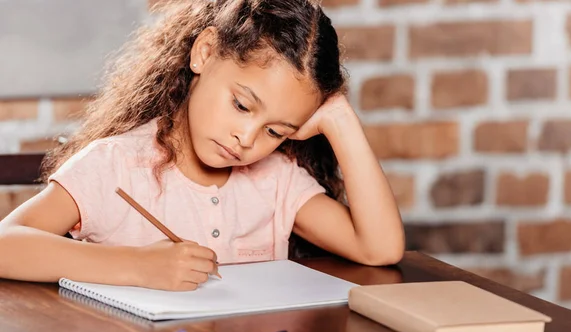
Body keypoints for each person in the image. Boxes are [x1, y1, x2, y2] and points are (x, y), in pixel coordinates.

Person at [0, 0, 404, 291]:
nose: (246, 140)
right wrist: (136, 266)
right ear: (205, 53)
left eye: (275, 131)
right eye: (242, 105)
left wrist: (340, 120)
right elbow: (6, 245)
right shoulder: (117, 165)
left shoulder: (275, 181)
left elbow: (379, 249)